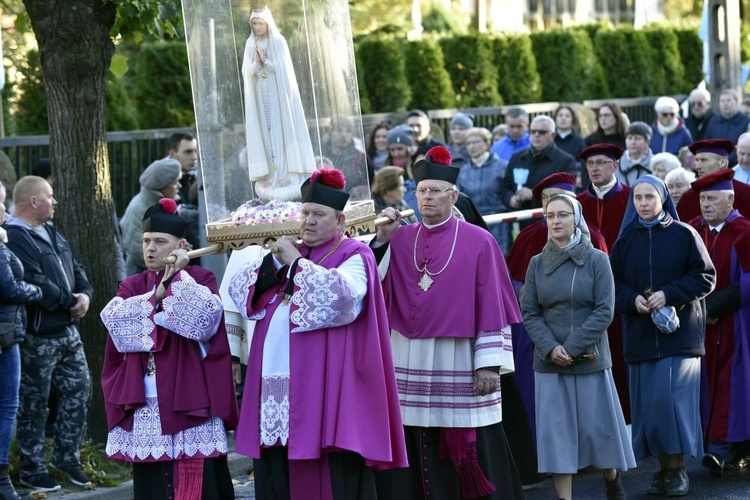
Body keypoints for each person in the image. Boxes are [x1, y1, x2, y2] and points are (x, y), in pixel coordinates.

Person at [226, 169, 407, 499]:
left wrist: (296, 265)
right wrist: (278, 265)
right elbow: (242, 293)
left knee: (321, 479)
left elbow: (341, 299)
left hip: (321, 388)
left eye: (318, 215)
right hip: (271, 386)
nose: (307, 221)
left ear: (339, 221)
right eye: (305, 213)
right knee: (274, 476)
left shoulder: (354, 254)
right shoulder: (288, 253)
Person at [373, 146, 525, 500]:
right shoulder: (400, 237)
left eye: (435, 191)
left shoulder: (479, 241)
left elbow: (494, 305)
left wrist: (488, 364)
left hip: (458, 357)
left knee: (463, 438)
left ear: (453, 195)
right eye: (422, 190)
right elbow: (372, 283)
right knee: (416, 437)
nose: (427, 198)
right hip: (408, 356)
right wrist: (380, 240)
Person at [100, 198, 239, 498]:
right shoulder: (133, 284)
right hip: (146, 397)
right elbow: (117, 324)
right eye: (146, 241)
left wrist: (179, 278)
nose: (149, 249)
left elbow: (204, 322)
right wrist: (159, 293)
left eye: (160, 242)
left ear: (181, 245)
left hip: (189, 397)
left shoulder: (201, 278)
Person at [521, 193, 634, 500]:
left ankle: (611, 478)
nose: (555, 221)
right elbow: (529, 311)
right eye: (550, 216)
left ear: (577, 219)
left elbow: (604, 310)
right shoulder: (536, 263)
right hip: (549, 361)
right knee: (556, 435)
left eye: (562, 215)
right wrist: (550, 347)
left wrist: (570, 347)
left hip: (590, 357)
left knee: (598, 432)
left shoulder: (597, 259)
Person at [610, 175, 715, 497]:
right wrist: (633, 301)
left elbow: (705, 277)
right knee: (651, 411)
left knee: (673, 406)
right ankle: (663, 469)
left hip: (679, 337)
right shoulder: (625, 240)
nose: (643, 203)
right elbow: (613, 286)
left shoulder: (685, 234)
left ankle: (678, 469)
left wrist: (668, 295)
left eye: (649, 197)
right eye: (638, 198)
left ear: (663, 199)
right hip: (642, 337)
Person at [4, 176, 94, 492]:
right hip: (37, 336)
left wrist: (84, 294)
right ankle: (32, 468)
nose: (54, 201)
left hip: (68, 331)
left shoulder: (52, 230)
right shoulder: (15, 237)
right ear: (33, 201)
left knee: (80, 389)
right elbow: (35, 281)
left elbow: (76, 265)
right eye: (50, 196)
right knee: (34, 403)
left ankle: (67, 459)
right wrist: (70, 301)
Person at [684, 170, 750, 476]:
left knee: (733, 384)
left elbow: (747, 284)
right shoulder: (692, 231)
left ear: (731, 198)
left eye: (712, 198)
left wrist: (712, 308)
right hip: (699, 326)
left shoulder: (744, 232)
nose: (705, 204)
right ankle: (718, 445)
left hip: (737, 324)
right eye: (702, 199)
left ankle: (724, 447)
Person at [576, 143, 632, 422]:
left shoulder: (632, 199)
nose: (595, 168)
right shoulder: (577, 204)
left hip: (623, 289)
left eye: (600, 163)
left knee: (621, 356)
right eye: (590, 164)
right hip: (585, 291)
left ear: (614, 166)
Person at [242, 4, 316, 201]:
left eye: (260, 23)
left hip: (278, 97)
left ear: (268, 23)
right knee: (266, 133)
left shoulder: (278, 41)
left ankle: (286, 174)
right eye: (254, 23)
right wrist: (257, 64)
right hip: (260, 96)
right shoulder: (250, 44)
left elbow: (284, 71)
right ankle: (271, 175)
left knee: (280, 132)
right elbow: (247, 72)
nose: (257, 27)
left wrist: (265, 61)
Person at [0, 180, 42, 500]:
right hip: (4, 336)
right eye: (0, 204)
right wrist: (36, 291)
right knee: (7, 406)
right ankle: (2, 480)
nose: (4, 210)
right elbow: (10, 288)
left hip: (8, 331)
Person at [500, 115, 577, 229]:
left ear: (552, 135)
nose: (536, 135)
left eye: (542, 132)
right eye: (533, 131)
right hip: (519, 224)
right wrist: (510, 198)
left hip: (550, 225)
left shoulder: (566, 161)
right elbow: (504, 187)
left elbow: (567, 196)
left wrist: (534, 195)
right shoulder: (517, 158)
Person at [120, 158, 182, 276]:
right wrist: (174, 252)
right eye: (174, 182)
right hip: (142, 277)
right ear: (163, 187)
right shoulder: (141, 209)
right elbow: (138, 251)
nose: (179, 185)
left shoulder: (156, 204)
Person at [456, 127, 510, 254]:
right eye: (468, 143)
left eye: (476, 142)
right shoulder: (463, 171)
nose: (472, 146)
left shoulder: (503, 166)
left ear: (487, 143)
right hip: (473, 223)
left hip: (499, 224)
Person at [677, 139, 750, 222]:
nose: (697, 166)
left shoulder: (746, 194)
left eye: (704, 160)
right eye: (697, 160)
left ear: (723, 162)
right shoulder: (688, 198)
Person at [168, 132, 200, 252]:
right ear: (172, 154)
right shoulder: (163, 180)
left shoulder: (198, 177)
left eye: (195, 151)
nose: (194, 156)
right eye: (188, 152)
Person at [582, 103, 627, 188]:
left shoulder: (626, 140)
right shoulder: (590, 141)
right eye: (600, 116)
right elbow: (585, 168)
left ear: (616, 117)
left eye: (607, 115)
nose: (603, 119)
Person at [617, 121, 654, 185]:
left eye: (637, 138)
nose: (633, 142)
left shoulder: (655, 165)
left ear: (647, 142)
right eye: (629, 138)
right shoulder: (616, 166)